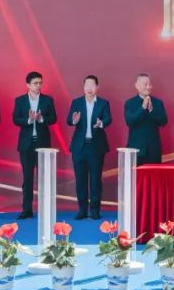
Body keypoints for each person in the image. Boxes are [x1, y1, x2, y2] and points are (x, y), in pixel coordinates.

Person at [12, 71, 57, 220]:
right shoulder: (20, 100)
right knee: (28, 178)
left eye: (40, 83)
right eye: (35, 83)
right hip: (26, 145)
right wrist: (29, 120)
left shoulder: (47, 100)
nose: (38, 86)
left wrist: (41, 118)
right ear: (28, 85)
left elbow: (54, 118)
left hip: (43, 144)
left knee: (44, 178)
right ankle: (27, 210)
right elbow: (15, 119)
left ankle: (45, 209)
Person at [67, 75, 111, 220]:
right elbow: (69, 120)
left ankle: (95, 210)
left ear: (97, 87)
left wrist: (101, 123)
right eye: (87, 85)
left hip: (96, 146)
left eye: (92, 86)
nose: (89, 88)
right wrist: (74, 120)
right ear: (83, 87)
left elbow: (108, 119)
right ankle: (82, 210)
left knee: (95, 179)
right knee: (80, 179)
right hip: (79, 146)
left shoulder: (103, 103)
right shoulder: (77, 102)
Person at [124, 74, 168, 165]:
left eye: (149, 84)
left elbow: (163, 121)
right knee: (136, 174)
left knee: (155, 173)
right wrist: (143, 108)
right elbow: (130, 121)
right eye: (145, 84)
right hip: (136, 148)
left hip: (154, 149)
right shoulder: (130, 103)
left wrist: (151, 112)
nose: (148, 87)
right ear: (136, 85)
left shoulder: (158, 102)